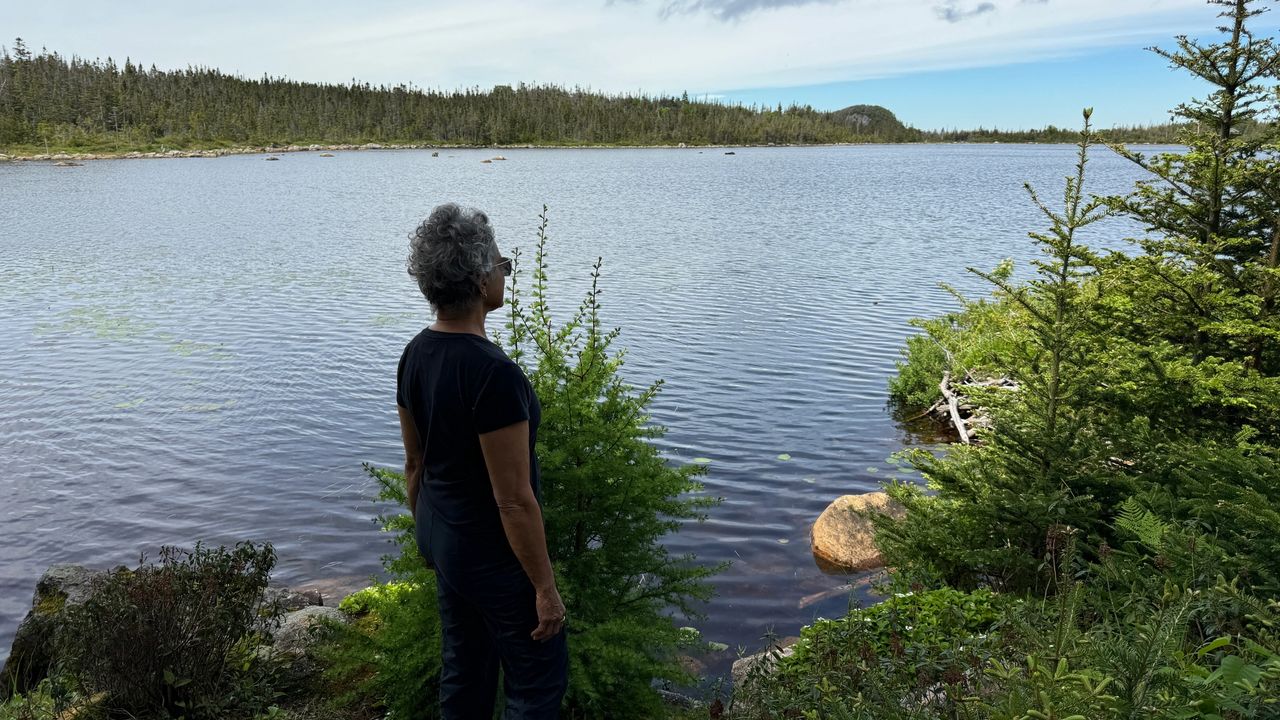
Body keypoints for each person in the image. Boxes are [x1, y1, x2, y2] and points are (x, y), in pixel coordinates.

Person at [395, 203, 568, 719]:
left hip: (445, 542)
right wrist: (544, 587)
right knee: (536, 687)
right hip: (496, 560)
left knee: (464, 677)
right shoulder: (494, 375)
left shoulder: (414, 355)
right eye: (502, 263)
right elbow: (513, 500)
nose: (504, 273)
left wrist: (430, 539)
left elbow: (414, 467)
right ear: (477, 277)